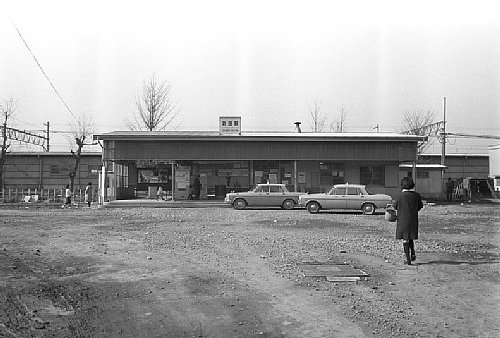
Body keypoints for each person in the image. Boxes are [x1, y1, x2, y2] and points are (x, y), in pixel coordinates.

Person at [393, 177, 423, 265]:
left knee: (405, 239)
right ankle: (413, 251)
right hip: (413, 219)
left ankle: (408, 260)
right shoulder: (416, 195)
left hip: (402, 220)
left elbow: (394, 206)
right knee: (410, 236)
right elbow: (420, 206)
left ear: (402, 186)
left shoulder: (399, 196)